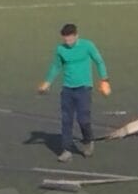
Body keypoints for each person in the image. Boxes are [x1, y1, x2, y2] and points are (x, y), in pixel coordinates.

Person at [36, 22, 110, 161]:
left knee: (83, 119)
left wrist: (104, 79)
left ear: (76, 35)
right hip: (67, 89)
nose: (68, 42)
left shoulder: (87, 45)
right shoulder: (60, 49)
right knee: (66, 121)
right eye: (65, 40)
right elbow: (56, 66)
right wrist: (47, 82)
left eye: (70, 39)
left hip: (84, 88)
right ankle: (67, 150)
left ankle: (88, 141)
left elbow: (99, 61)